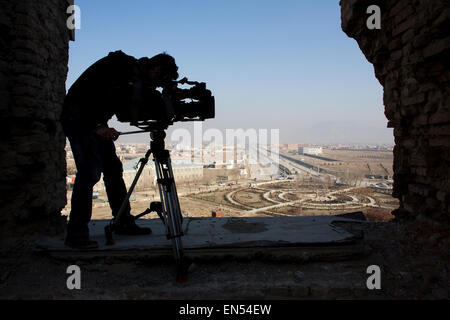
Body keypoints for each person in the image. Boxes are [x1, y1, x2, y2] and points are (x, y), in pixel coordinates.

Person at [62, 50, 179, 249]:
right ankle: (76, 234)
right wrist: (99, 126)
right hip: (79, 117)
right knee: (90, 171)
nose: (157, 85)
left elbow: (126, 108)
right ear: (157, 68)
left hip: (95, 120)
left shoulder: (133, 76)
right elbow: (91, 95)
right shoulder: (118, 67)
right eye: (159, 80)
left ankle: (123, 222)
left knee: (113, 170)